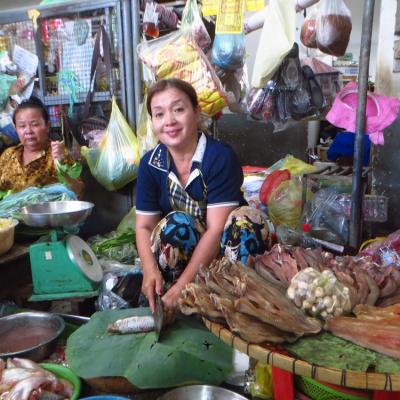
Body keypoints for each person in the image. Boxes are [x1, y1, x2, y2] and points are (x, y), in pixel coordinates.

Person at [136, 79, 273, 322]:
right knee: (174, 225)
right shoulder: (150, 164)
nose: (169, 121)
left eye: (178, 109)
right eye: (159, 114)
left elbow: (216, 229)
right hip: (193, 256)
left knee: (244, 222)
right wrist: (149, 270)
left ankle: (235, 303)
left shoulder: (218, 156)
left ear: (196, 112)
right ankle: (179, 302)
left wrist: (180, 289)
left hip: (226, 252)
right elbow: (144, 226)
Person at [0, 97, 83, 196]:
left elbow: (79, 191)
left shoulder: (58, 155)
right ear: (16, 128)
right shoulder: (8, 155)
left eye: (34, 124)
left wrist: (63, 167)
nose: (28, 131)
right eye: (22, 126)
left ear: (47, 126)